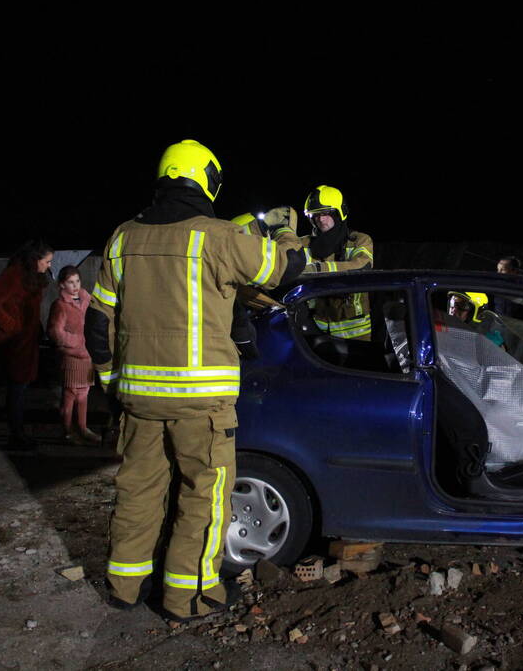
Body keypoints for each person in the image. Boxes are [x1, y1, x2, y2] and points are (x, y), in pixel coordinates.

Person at [85, 139, 305, 624]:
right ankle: (188, 597)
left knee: (138, 493)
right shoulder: (219, 236)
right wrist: (285, 233)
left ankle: (126, 586)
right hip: (201, 409)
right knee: (202, 500)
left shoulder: (122, 238)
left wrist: (112, 386)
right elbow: (284, 270)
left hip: (139, 403)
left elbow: (97, 323)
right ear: (207, 180)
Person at [0, 239, 54, 449]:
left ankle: (18, 432)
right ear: (36, 259)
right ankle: (16, 434)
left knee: (20, 388)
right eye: (47, 261)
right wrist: (12, 326)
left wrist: (37, 329)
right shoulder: (15, 274)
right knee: (17, 388)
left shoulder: (34, 277)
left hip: (26, 341)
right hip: (14, 343)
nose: (49, 265)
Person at [300, 185, 374, 340]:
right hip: (315, 328)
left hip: (355, 332)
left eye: (326, 213)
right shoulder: (303, 244)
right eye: (316, 215)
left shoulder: (359, 240)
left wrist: (318, 269)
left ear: (339, 213)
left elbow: (362, 266)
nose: (321, 219)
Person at [48, 265, 99, 443]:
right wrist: (76, 342)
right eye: (70, 282)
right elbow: (55, 331)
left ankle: (83, 428)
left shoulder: (87, 300)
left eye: (77, 281)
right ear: (62, 285)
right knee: (70, 394)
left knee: (85, 393)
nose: (75, 285)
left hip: (88, 355)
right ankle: (68, 431)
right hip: (72, 356)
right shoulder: (60, 306)